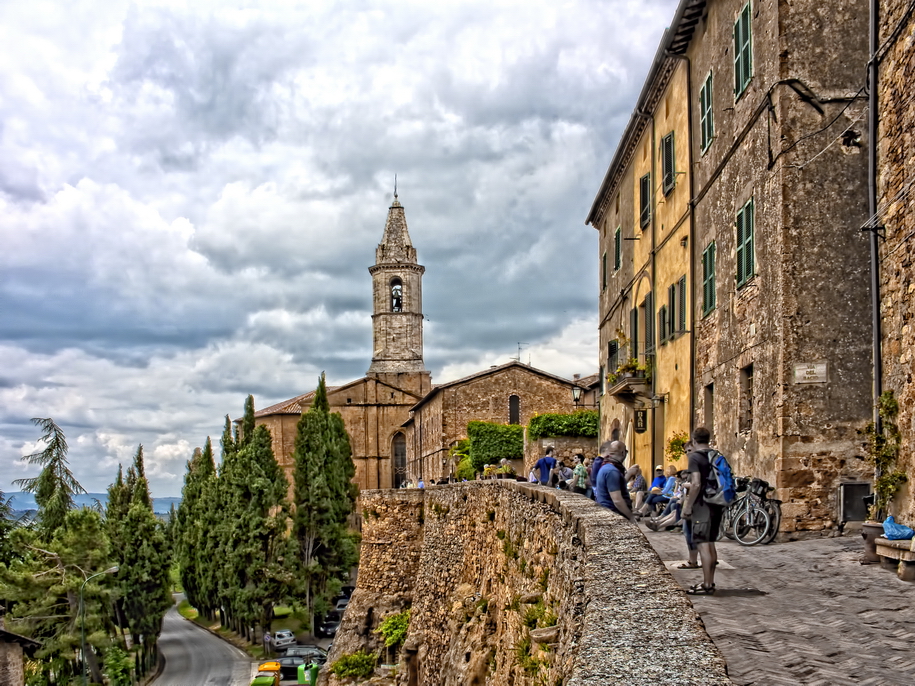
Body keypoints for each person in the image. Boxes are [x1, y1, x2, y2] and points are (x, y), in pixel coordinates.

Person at [682, 426, 722, 595]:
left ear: (694, 440)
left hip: (702, 504)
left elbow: (696, 484)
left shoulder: (695, 457)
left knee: (703, 545)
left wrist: (688, 505)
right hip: (716, 503)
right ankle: (710, 581)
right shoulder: (716, 455)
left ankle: (707, 584)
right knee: (710, 543)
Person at [593, 440, 637, 522]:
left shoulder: (606, 467)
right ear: (623, 453)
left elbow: (617, 485)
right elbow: (617, 500)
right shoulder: (612, 471)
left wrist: (629, 473)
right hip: (614, 514)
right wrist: (630, 517)